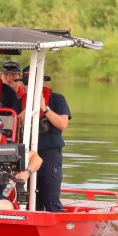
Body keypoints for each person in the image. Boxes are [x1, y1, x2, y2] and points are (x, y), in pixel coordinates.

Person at [19, 67, 71, 212]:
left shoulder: (58, 99)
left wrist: (44, 108)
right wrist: (29, 106)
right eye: (28, 83)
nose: (31, 86)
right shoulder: (20, 101)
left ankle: (57, 223)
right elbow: (18, 124)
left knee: (50, 196)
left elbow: (63, 124)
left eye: (35, 83)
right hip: (28, 155)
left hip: (50, 154)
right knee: (29, 199)